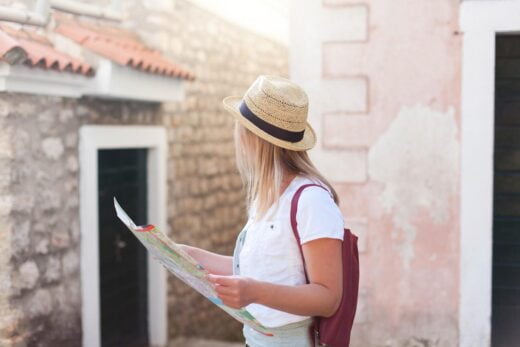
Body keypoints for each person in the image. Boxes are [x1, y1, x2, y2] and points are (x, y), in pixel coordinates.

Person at [180, 75, 345, 347]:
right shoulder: (266, 195)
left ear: (252, 138)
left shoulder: (311, 200)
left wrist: (255, 292)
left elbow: (327, 298)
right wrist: (182, 254)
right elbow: (255, 267)